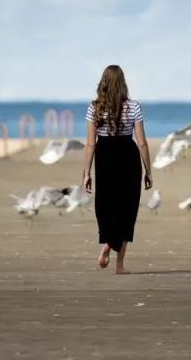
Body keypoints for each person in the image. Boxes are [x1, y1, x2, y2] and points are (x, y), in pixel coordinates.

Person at [81, 64, 153, 274]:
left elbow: (90, 143)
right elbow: (142, 142)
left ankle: (107, 244)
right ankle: (119, 265)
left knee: (106, 206)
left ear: (103, 83)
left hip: (105, 158)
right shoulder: (134, 107)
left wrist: (86, 173)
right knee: (127, 210)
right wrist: (148, 170)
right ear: (123, 84)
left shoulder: (94, 107)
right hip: (128, 157)